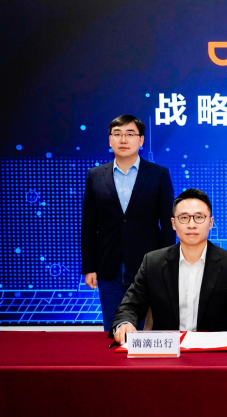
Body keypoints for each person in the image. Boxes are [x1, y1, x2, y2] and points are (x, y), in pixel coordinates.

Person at [111, 188, 227, 344]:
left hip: (213, 351)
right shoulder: (153, 262)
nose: (191, 225)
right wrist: (124, 324)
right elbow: (129, 307)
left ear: (210, 222)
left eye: (199, 217)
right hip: (167, 351)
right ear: (173, 223)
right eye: (184, 218)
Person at [81, 114, 175, 331]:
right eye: (117, 134)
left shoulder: (158, 174)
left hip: (148, 266)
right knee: (114, 330)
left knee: (145, 332)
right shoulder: (95, 175)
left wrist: (166, 266)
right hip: (108, 266)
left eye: (130, 134)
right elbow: (88, 225)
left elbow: (168, 224)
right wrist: (89, 267)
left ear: (141, 140)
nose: (123, 139)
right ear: (110, 140)